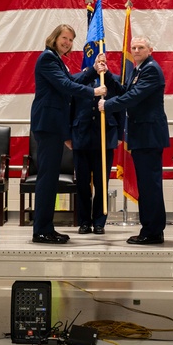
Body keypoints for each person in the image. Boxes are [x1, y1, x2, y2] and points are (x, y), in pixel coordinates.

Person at [30, 24, 106, 245]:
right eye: (65, 38)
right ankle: (41, 230)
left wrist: (93, 69)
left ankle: (46, 228)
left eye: (71, 40)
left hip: (54, 126)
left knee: (51, 179)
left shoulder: (55, 59)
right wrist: (94, 91)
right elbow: (65, 85)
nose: (68, 43)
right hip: (48, 125)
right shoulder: (47, 58)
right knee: (47, 179)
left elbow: (71, 81)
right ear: (54, 37)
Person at [98, 36, 169, 245]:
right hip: (141, 135)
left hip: (149, 136)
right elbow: (124, 91)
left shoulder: (151, 69)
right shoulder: (138, 70)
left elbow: (134, 97)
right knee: (146, 186)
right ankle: (149, 228)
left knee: (150, 186)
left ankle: (153, 231)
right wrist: (107, 75)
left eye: (141, 47)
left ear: (150, 50)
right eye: (134, 47)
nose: (136, 50)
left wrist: (108, 105)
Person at [72, 74, 120, 235]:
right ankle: (84, 221)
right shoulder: (77, 79)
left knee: (102, 183)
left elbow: (121, 106)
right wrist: (67, 135)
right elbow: (69, 107)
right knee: (82, 183)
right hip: (81, 136)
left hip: (104, 137)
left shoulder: (112, 79)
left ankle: (99, 222)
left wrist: (120, 135)